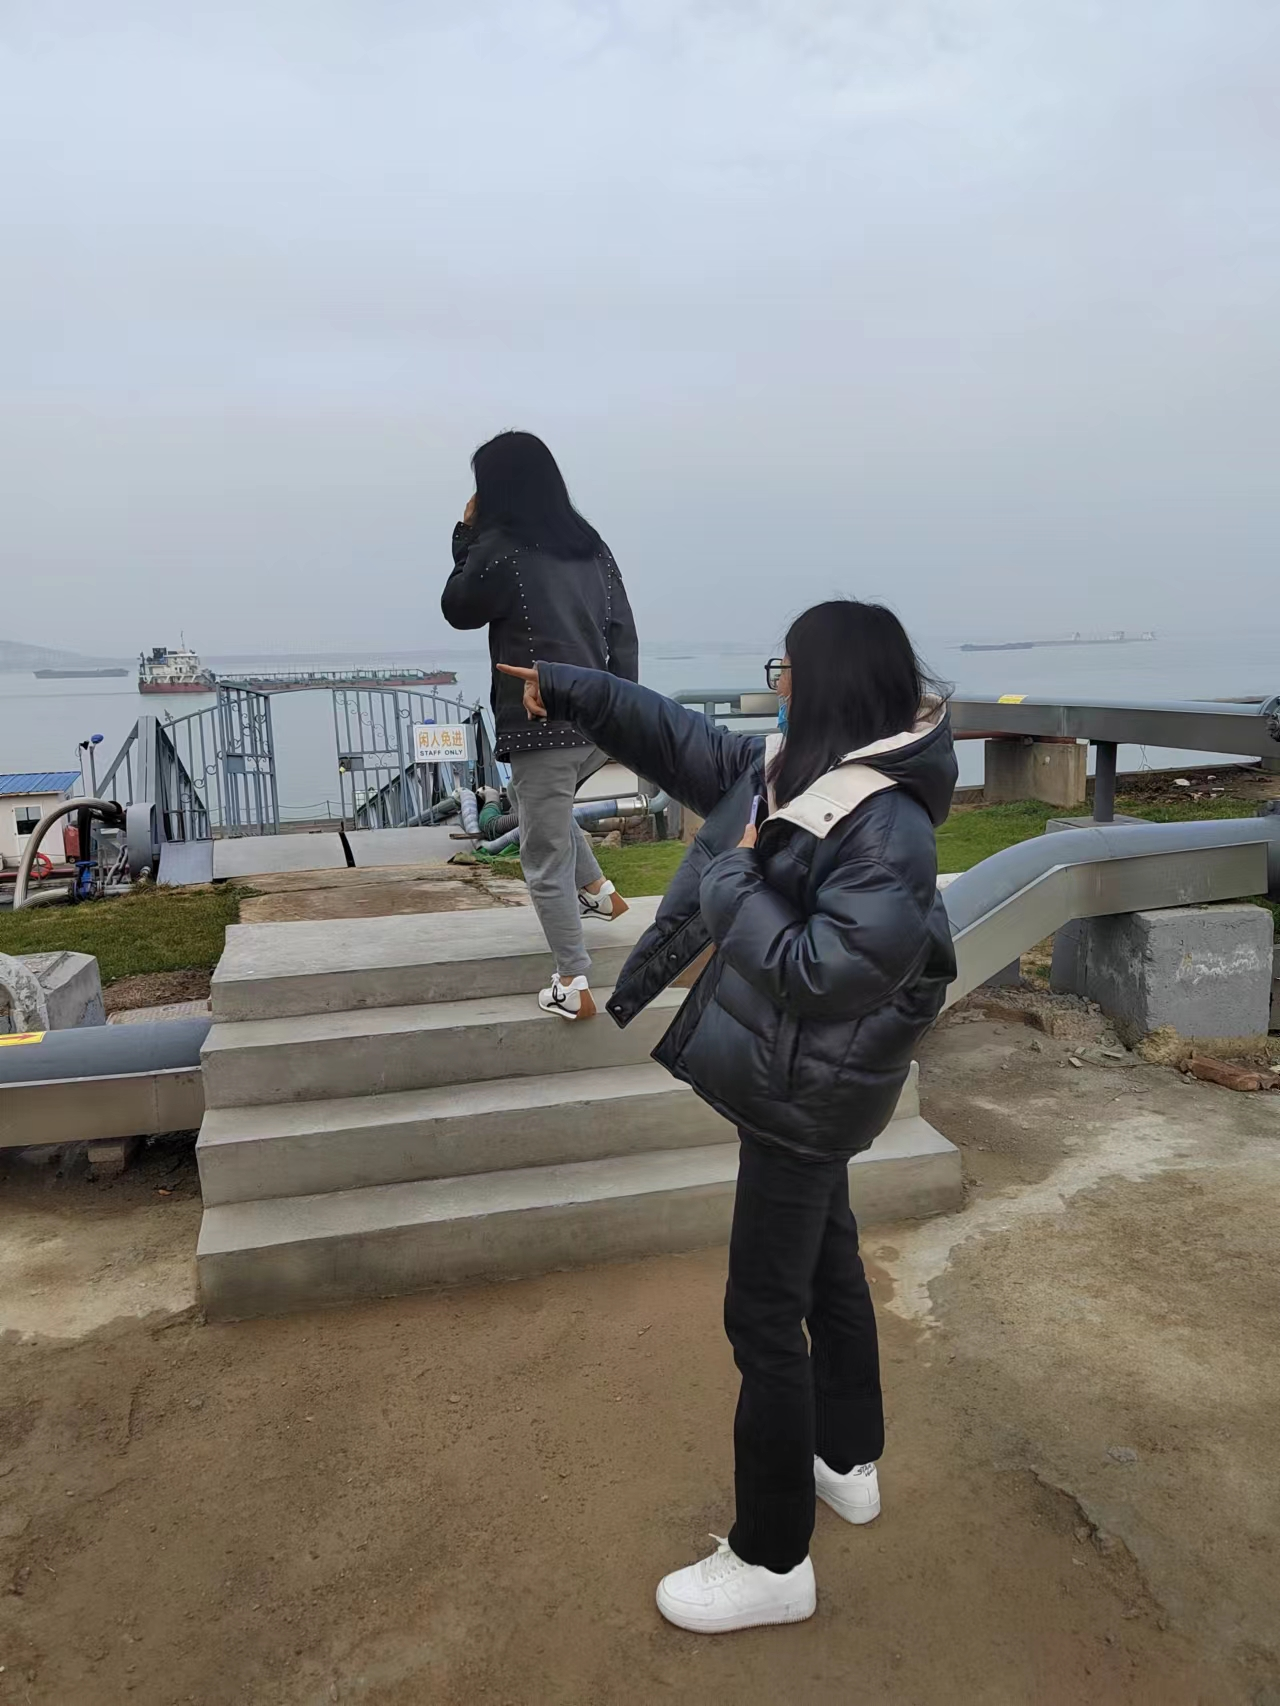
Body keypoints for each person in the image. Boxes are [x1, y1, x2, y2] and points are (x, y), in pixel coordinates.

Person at [499, 598, 957, 1634]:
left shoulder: (885, 822)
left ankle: (770, 1558)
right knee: (828, 1262)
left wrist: (733, 878)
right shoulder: (793, 768)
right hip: (799, 1082)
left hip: (808, 1093)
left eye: (785, 667)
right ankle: (846, 1459)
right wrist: (571, 688)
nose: (774, 682)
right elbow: (675, 738)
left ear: (828, 681)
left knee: (761, 1314)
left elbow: (822, 970)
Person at [442, 431, 639, 1019]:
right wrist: (619, 709)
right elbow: (623, 632)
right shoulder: (591, 545)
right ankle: (600, 893)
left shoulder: (500, 547)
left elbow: (459, 608)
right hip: (597, 719)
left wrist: (465, 536)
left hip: (540, 725)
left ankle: (573, 983)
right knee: (542, 812)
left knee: (542, 855)